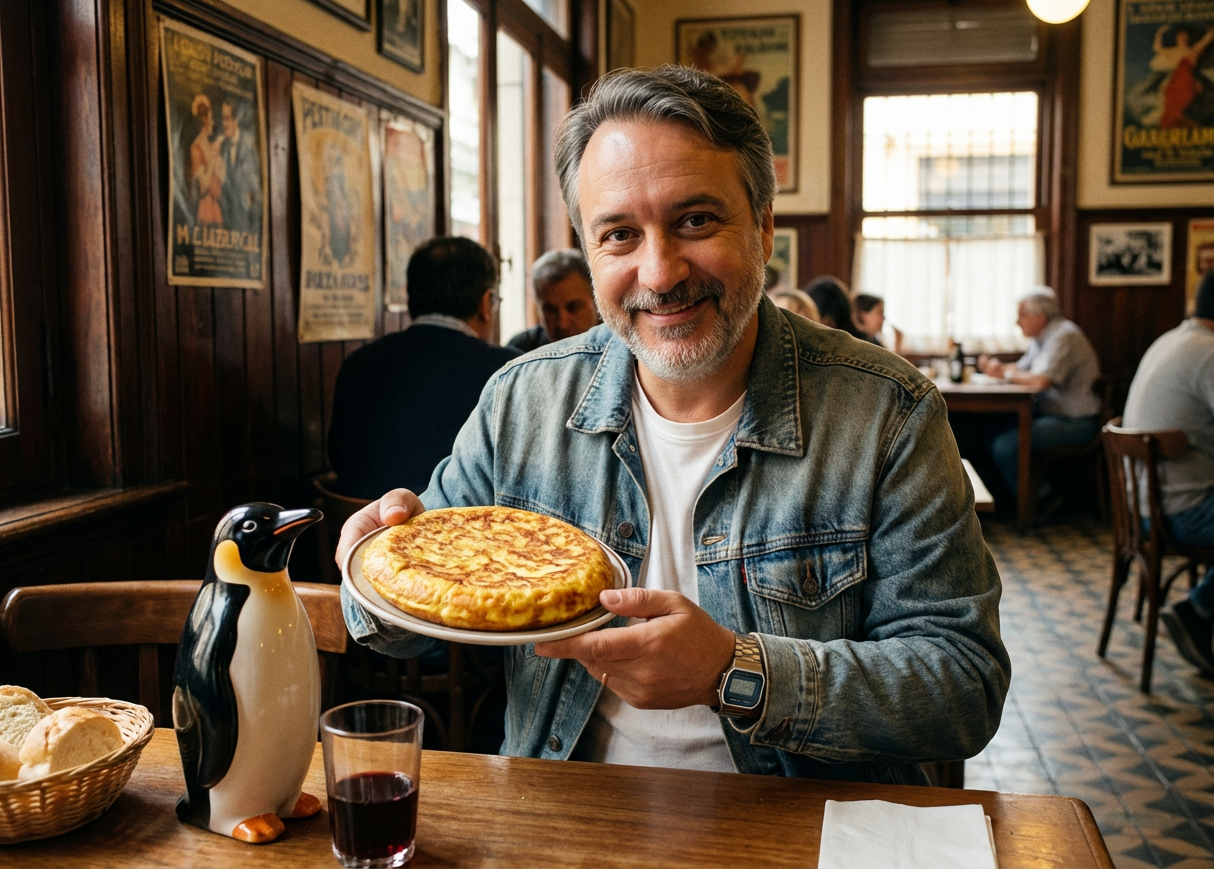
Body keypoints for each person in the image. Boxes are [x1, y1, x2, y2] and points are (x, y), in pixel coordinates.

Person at [337, 65, 1008, 782]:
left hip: (798, 829)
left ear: (764, 227)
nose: (659, 274)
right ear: (591, 254)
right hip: (564, 813)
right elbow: (408, 620)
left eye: (695, 220)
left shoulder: (888, 414)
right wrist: (368, 574)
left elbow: (962, 687)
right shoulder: (520, 401)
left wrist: (733, 671)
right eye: (620, 234)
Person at [327, 236, 520, 500]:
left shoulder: (357, 363)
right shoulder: (510, 372)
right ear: (485, 303)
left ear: (408, 295)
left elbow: (338, 460)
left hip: (359, 535)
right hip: (452, 535)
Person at [1123, 270, 1214, 675]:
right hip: (1179, 510)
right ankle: (1197, 609)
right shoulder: (1209, 352)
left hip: (1144, 504)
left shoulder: (1172, 340)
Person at [977, 287, 1101, 507]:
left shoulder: (1064, 336)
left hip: (1076, 422)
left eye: (1022, 315)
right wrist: (998, 369)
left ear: (1040, 316)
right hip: (1052, 415)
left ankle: (1042, 498)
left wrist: (1004, 373)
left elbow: (1041, 381)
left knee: (1004, 445)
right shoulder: (1042, 337)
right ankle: (1007, 500)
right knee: (989, 430)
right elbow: (1023, 370)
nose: (1017, 322)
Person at [507, 249, 599, 352]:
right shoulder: (521, 349)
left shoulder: (617, 344)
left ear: (597, 301)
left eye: (573, 308)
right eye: (551, 311)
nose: (563, 324)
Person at [218, 98, 261, 234]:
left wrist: (254, 224)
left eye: (227, 119)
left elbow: (256, 190)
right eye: (222, 119)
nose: (224, 124)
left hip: (246, 223)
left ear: (236, 120)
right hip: (227, 222)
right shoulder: (223, 147)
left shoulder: (249, 146)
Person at [188, 94, 225, 227]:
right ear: (204, 120)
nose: (213, 123)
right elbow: (202, 186)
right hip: (204, 209)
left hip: (216, 206)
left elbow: (222, 178)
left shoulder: (212, 146)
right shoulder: (196, 147)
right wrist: (214, 158)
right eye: (210, 118)